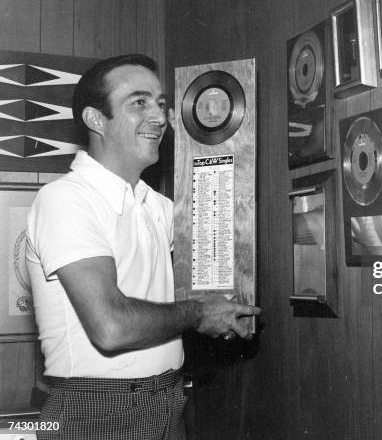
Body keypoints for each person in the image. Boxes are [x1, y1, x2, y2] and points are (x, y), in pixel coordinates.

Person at [25, 54, 261, 439]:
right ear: (95, 120)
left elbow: (214, 267)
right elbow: (111, 326)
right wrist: (200, 313)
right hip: (97, 412)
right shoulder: (65, 200)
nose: (160, 117)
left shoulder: (159, 206)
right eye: (139, 103)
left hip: (166, 401)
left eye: (162, 105)